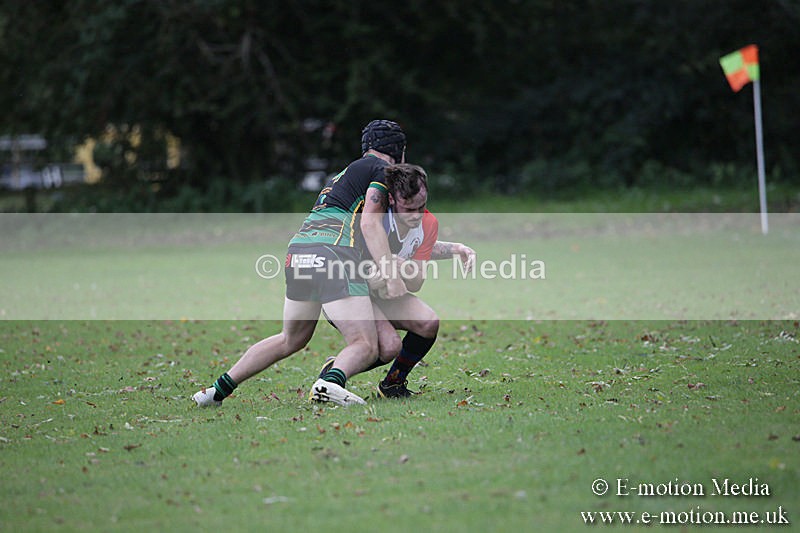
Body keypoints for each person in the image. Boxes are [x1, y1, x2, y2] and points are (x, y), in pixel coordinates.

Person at [193, 119, 409, 407]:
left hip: (299, 251)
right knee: (365, 345)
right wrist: (390, 273)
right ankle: (329, 384)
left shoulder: (346, 173)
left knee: (290, 339)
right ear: (398, 150)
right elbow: (370, 222)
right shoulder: (382, 171)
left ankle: (213, 392)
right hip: (333, 254)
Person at [319, 163, 476, 398]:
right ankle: (333, 375)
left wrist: (401, 266)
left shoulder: (428, 223)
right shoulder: (372, 220)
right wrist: (383, 270)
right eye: (408, 208)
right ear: (391, 199)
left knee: (428, 322)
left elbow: (416, 282)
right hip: (350, 294)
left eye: (421, 207)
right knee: (389, 345)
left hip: (385, 293)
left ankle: (393, 384)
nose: (416, 215)